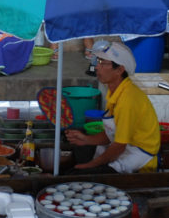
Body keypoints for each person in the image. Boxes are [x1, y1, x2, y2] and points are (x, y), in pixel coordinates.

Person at [65, 41, 161, 174]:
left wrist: (90, 165)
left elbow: (119, 145)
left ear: (120, 70)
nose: (97, 67)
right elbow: (113, 134)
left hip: (139, 153)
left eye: (103, 64)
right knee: (81, 150)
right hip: (125, 146)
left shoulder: (128, 99)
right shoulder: (115, 91)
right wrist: (86, 139)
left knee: (86, 174)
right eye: (98, 61)